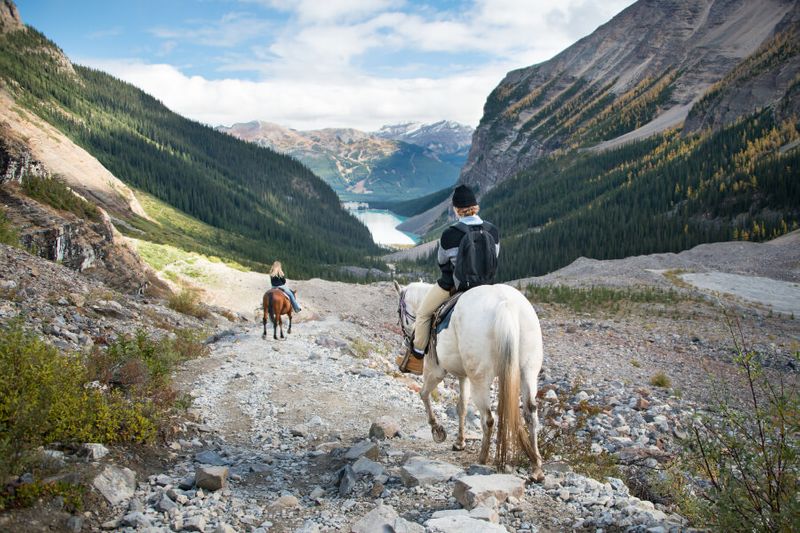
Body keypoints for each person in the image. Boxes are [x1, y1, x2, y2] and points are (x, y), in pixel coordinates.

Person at [400, 184, 500, 374]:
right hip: (487, 286)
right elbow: (495, 257)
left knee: (423, 314)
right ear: (475, 206)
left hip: (454, 286)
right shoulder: (492, 230)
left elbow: (442, 263)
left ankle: (418, 355)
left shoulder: (450, 234)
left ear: (456, 209)